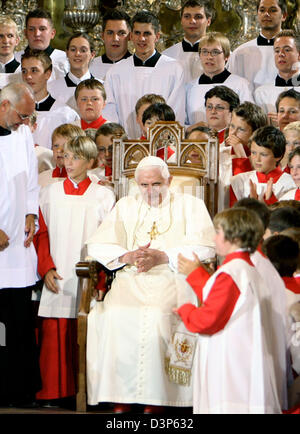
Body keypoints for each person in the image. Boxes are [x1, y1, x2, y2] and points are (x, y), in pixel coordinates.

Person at [85, 156, 215, 413]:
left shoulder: (191, 204)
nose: (150, 191)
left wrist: (163, 256)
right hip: (132, 277)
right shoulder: (125, 205)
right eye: (143, 185)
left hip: (173, 275)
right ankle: (121, 395)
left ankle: (158, 399)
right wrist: (127, 256)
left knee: (157, 316)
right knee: (114, 315)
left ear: (170, 181)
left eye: (156, 184)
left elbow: (207, 246)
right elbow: (98, 244)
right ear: (136, 184)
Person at [34, 135, 115, 406]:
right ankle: (55, 392)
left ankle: (87, 393)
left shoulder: (104, 195)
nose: (68, 162)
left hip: (88, 274)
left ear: (91, 161)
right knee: (54, 332)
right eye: (66, 156)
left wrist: (100, 278)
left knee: (86, 332)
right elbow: (41, 234)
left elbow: (108, 239)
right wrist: (46, 268)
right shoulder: (49, 193)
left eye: (76, 157)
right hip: (57, 273)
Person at [175, 207, 281, 414]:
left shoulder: (233, 272)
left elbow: (208, 320)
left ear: (234, 236)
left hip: (231, 364)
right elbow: (221, 301)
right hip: (242, 359)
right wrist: (197, 273)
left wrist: (185, 309)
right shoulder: (246, 269)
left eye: (218, 232)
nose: (214, 239)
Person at [0, 82, 41, 407]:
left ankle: (20, 390)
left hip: (17, 244)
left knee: (20, 323)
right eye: (21, 116)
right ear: (3, 104)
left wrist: (30, 213)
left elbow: (30, 179)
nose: (24, 123)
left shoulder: (23, 134)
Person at [102, 10, 185, 138]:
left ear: (157, 37)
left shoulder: (174, 69)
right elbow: (110, 112)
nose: (141, 39)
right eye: (137, 33)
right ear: (131, 36)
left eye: (147, 34)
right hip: (126, 145)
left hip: (162, 143)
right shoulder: (115, 72)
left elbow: (175, 111)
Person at [185, 32, 253, 127]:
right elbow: (184, 122)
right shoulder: (190, 87)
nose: (209, 57)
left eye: (215, 52)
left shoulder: (241, 85)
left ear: (226, 56)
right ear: (199, 55)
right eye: (204, 51)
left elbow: (248, 120)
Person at [21, 49, 79, 149]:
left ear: (47, 74)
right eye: (24, 71)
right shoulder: (14, 113)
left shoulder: (66, 115)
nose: (28, 76)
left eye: (34, 70)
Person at [227, 0, 287, 90]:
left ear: (284, 16)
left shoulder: (296, 51)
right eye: (262, 10)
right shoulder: (240, 52)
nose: (266, 14)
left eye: (273, 10)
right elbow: (231, 88)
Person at [230, 125, 295, 206]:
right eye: (253, 153)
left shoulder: (290, 183)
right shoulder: (239, 181)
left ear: (278, 156)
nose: (257, 160)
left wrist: (270, 201)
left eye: (263, 154)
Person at [162, 0, 214, 83]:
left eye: (198, 17)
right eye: (187, 16)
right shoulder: (166, 56)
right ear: (181, 21)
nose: (192, 21)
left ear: (208, 21)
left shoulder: (222, 56)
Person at [47, 32, 99, 113]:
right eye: (73, 49)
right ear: (67, 53)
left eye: (83, 50)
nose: (77, 54)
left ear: (92, 54)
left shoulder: (102, 87)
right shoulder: (51, 89)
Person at [15, 8, 69, 83]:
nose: (37, 34)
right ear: (25, 33)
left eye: (42, 29)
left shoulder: (65, 60)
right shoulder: (15, 60)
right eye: (31, 29)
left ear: (52, 33)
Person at [255, 30, 300, 114]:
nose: (281, 54)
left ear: (299, 55)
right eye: (277, 50)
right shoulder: (261, 93)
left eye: (287, 50)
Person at [225, 101, 268, 174]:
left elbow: (245, 184)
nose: (233, 133)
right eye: (232, 126)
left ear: (255, 133)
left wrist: (241, 155)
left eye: (241, 129)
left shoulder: (263, 158)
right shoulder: (222, 150)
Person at [38, 123, 86, 188]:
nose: (59, 150)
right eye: (56, 146)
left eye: (65, 146)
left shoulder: (89, 180)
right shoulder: (41, 179)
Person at [89, 8, 132, 81]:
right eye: (110, 33)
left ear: (130, 36)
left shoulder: (136, 66)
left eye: (121, 33)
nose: (115, 38)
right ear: (102, 36)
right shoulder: (90, 67)